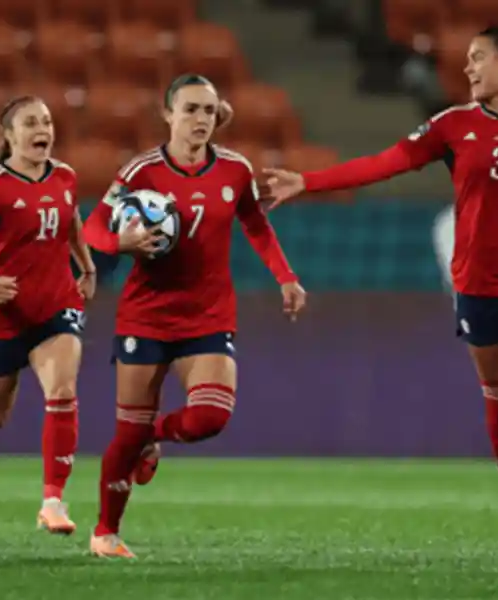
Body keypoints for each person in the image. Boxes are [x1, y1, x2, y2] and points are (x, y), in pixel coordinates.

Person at [263, 26, 498, 559]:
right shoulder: (453, 126)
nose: (468, 68)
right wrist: (307, 182)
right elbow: (385, 163)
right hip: (477, 281)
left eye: (477, 58)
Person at [82, 74, 306, 558]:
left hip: (208, 315)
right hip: (145, 317)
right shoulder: (140, 172)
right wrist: (120, 244)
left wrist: (285, 276)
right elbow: (94, 228)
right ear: (168, 115)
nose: (200, 119)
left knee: (210, 417)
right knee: (125, 433)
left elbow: (256, 224)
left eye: (208, 110)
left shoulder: (234, 170)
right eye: (190, 110)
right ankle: (105, 532)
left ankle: (152, 438)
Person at [0, 95, 96, 536]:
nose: (42, 129)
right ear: (9, 135)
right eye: (30, 122)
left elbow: (70, 221)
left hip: (56, 306)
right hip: (3, 316)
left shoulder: (65, 176)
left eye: (46, 121)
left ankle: (53, 501)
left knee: (63, 391)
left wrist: (85, 266)